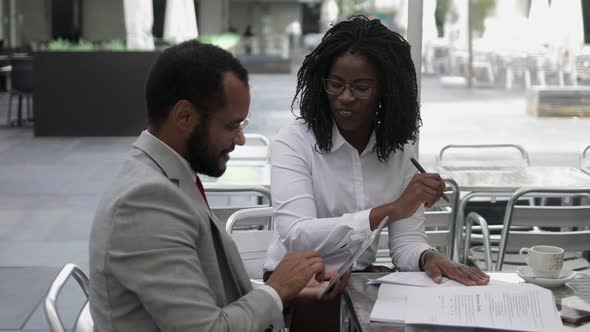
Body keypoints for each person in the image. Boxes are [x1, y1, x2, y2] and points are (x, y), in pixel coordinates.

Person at [89, 40, 348, 332]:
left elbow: (205, 294)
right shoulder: (145, 201)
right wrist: (275, 290)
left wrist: (287, 290)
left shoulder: (166, 175)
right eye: (231, 126)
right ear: (184, 116)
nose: (239, 139)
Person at [263, 16, 489, 330]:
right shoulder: (295, 141)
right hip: (299, 289)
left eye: (361, 87)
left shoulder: (397, 151)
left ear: (385, 90)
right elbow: (298, 236)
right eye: (336, 84)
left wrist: (427, 257)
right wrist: (390, 211)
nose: (345, 97)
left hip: (357, 283)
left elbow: (406, 243)